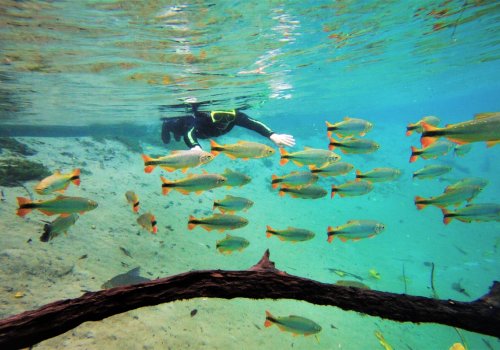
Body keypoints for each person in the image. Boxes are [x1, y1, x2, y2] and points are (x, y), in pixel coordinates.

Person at [161, 101, 295, 151]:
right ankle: (166, 126)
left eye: (229, 117)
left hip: (203, 134)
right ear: (210, 115)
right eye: (218, 117)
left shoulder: (236, 116)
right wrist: (195, 147)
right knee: (177, 131)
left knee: (177, 136)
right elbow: (189, 133)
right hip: (184, 127)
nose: (224, 121)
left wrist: (272, 135)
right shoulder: (202, 118)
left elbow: (254, 124)